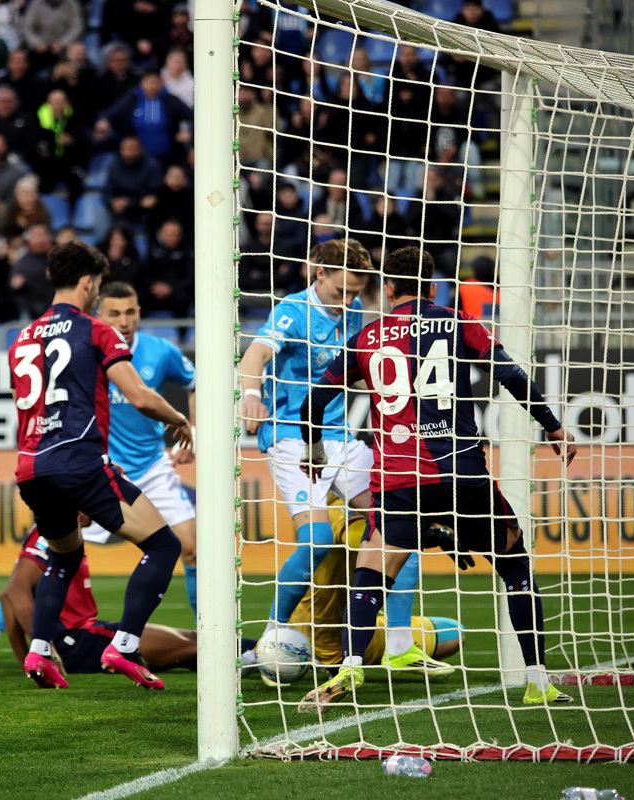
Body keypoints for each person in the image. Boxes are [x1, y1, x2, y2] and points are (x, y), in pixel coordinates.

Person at [297, 246, 579, 711]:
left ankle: (349, 665)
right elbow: (507, 372)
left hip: (400, 483)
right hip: (464, 472)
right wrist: (551, 424)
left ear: (387, 288)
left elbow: (313, 401)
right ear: (433, 286)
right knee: (514, 565)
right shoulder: (456, 321)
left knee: (372, 572)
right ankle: (537, 680)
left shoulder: (366, 336)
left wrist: (314, 451)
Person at [0, 281, 199, 660]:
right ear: (97, 312)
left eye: (131, 312)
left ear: (139, 313)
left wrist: (192, 435)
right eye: (114, 313)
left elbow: (193, 381)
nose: (123, 321)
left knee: (191, 547)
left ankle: (209, 628)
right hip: (92, 469)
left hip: (150, 467)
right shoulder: (86, 344)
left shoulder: (160, 351)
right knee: (48, 554)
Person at [239, 239, 441, 676]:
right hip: (292, 436)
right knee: (317, 542)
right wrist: (251, 396)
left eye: (354, 291)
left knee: (398, 526)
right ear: (319, 274)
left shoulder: (353, 315)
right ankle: (268, 641)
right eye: (340, 290)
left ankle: (402, 646)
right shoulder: (292, 311)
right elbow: (254, 355)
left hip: (340, 437)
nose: (346, 299)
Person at [8, 240, 193, 690]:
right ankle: (124, 645)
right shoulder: (95, 330)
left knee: (63, 557)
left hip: (32, 468)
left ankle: (39, 655)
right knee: (164, 546)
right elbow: (141, 396)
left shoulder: (22, 338)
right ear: (88, 283)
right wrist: (180, 418)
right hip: (80, 461)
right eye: (97, 289)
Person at [0, 523, 259, 674]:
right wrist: (42, 651)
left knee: (192, 639)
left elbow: (5, 597)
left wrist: (27, 657)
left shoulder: (61, 532)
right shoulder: (49, 532)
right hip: (77, 643)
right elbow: (13, 592)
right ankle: (268, 658)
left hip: (88, 634)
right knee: (189, 649)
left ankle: (268, 650)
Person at [282, 501, 468, 672]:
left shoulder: (338, 500)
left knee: (453, 633)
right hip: (328, 635)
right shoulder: (333, 501)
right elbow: (364, 537)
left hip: (338, 627)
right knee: (398, 535)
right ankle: (394, 647)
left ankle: (396, 643)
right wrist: (418, 532)